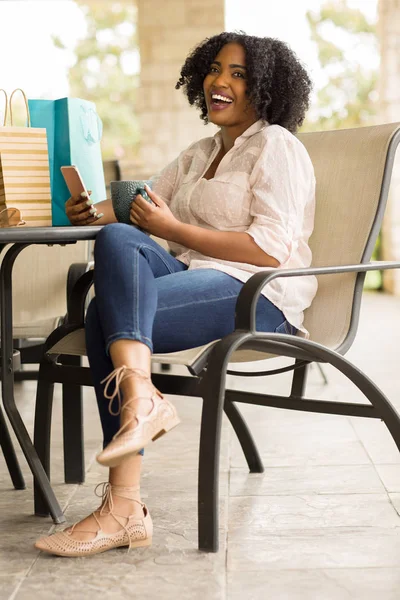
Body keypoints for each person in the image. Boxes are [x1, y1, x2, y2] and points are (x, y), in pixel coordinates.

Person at [34, 31, 317, 557]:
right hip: (196, 278)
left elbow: (269, 250)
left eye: (237, 73)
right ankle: (142, 396)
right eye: (214, 69)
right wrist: (92, 211)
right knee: (117, 237)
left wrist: (174, 228)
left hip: (256, 290)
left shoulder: (278, 146)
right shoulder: (200, 152)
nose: (219, 81)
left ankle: (123, 507)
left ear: (266, 87)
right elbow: (137, 208)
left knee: (103, 316)